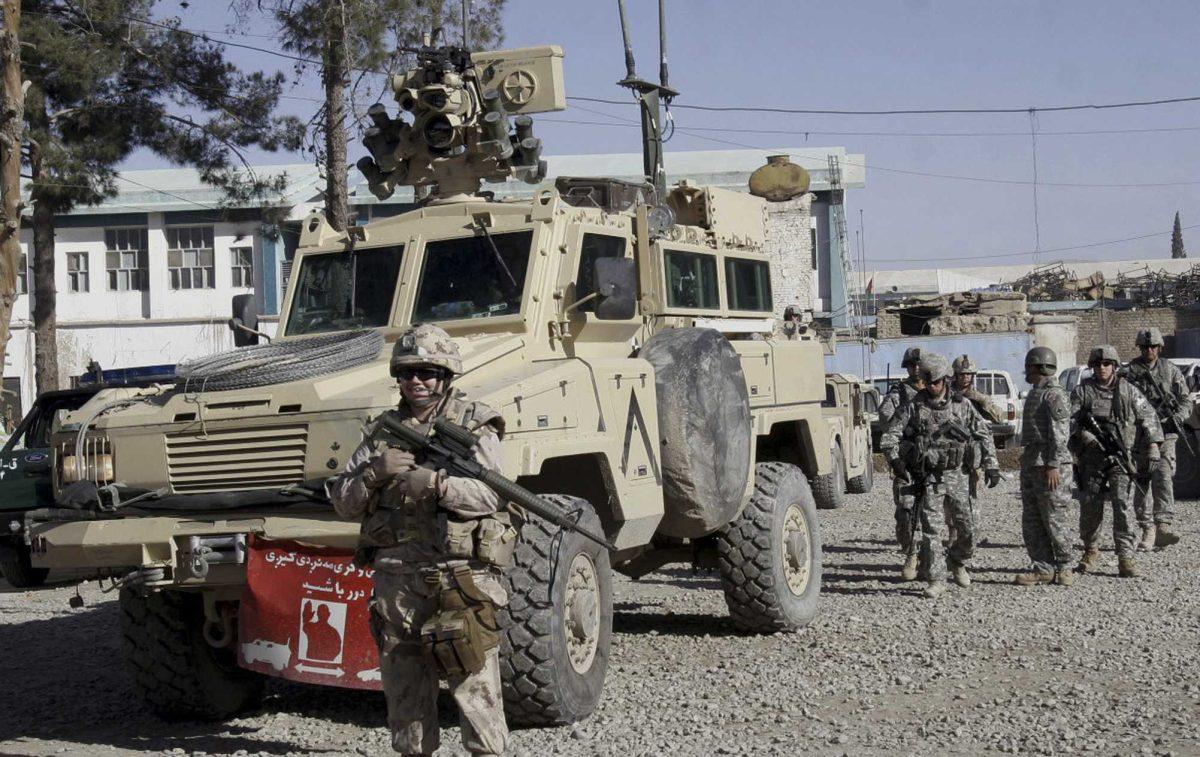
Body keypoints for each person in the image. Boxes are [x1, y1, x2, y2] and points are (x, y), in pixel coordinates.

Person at [327, 324, 515, 757]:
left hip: (460, 580)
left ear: (446, 376)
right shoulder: (381, 433)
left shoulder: (474, 425)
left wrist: (437, 484)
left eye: (428, 372)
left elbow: (492, 494)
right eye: (408, 372)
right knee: (406, 698)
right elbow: (344, 504)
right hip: (398, 584)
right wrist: (374, 473)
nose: (417, 381)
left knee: (476, 693)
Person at [880, 353, 1000, 598]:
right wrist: (896, 461)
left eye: (936, 381)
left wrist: (991, 465)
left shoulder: (961, 405)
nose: (931, 386)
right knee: (931, 531)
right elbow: (889, 437)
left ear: (945, 379)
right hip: (930, 478)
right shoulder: (913, 406)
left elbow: (983, 434)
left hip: (958, 475)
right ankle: (936, 579)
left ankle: (957, 560)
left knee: (969, 529)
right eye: (927, 381)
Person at [1070, 345, 1162, 578]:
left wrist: (1153, 446)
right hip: (1091, 459)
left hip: (1121, 459)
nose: (1102, 368)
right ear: (1092, 366)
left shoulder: (1128, 391)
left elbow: (1148, 417)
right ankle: (1090, 551)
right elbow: (1068, 420)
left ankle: (1125, 557)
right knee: (1091, 505)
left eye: (1107, 364)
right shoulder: (1082, 392)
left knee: (1121, 506)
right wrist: (1082, 435)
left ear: (1114, 366)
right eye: (1098, 364)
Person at [1125, 327, 1193, 550]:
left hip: (1166, 433)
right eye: (1145, 347)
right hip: (1140, 436)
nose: (1149, 350)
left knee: (1163, 478)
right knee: (1142, 480)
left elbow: (1186, 400)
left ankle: (1163, 525)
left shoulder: (1170, 370)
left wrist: (1178, 418)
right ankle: (1147, 528)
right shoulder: (1129, 372)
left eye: (1153, 346)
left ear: (1160, 348)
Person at [1015, 347, 1075, 587]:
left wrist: (1053, 464)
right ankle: (1043, 567)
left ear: (1036, 366)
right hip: (1032, 463)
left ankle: (1065, 566)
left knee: (1055, 517)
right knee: (1033, 520)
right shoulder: (1036, 392)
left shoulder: (1054, 394)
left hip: (1049, 465)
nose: (1026, 371)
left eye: (1028, 366)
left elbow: (1060, 434)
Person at [877, 347, 925, 580]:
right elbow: (885, 418)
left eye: (919, 364)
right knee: (906, 511)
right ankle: (911, 553)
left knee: (938, 513)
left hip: (933, 461)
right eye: (911, 365)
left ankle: (934, 558)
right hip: (906, 461)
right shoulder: (900, 392)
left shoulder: (938, 389)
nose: (915, 369)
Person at [950, 354, 1004, 540]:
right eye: (962, 374)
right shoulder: (947, 396)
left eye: (969, 374)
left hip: (972, 455)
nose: (966, 378)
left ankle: (970, 534)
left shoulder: (978, 397)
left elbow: (998, 419)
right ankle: (954, 533)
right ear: (955, 375)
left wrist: (982, 402)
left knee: (971, 497)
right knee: (950, 499)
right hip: (950, 454)